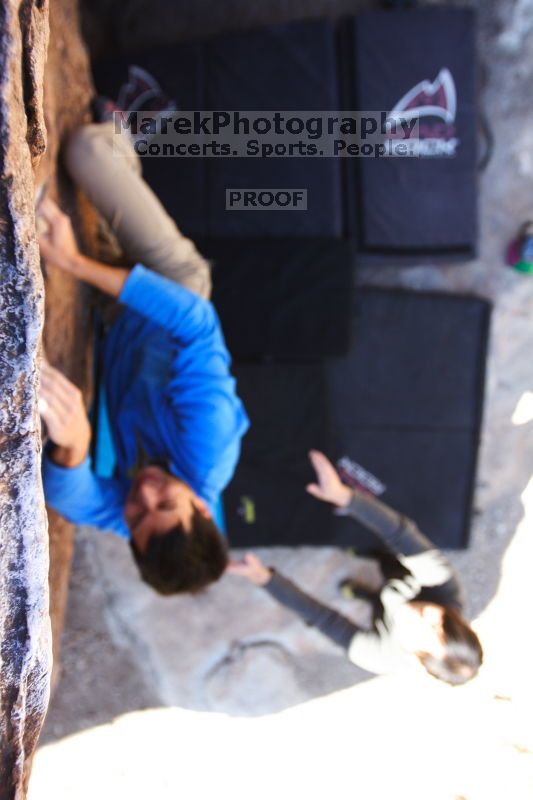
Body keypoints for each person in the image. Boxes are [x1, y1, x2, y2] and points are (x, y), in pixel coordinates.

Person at [39, 75, 249, 595]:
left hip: (112, 317)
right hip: (172, 287)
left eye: (136, 517)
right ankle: (119, 143)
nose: (144, 495)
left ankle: (119, 179)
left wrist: (73, 449)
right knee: (87, 152)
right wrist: (72, 263)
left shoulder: (140, 518)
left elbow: (70, 497)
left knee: (98, 202)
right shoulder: (210, 446)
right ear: (202, 505)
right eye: (165, 504)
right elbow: (197, 323)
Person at [228, 450, 483, 685]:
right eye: (438, 624)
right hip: (395, 568)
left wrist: (264, 578)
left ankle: (364, 592)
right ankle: (364, 554)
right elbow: (400, 534)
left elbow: (323, 618)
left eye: (426, 640)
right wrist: (345, 497)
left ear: (419, 659)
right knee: (381, 551)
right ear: (456, 619)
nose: (421, 619)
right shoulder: (445, 588)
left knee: (379, 598)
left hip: (392, 594)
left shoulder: (380, 656)